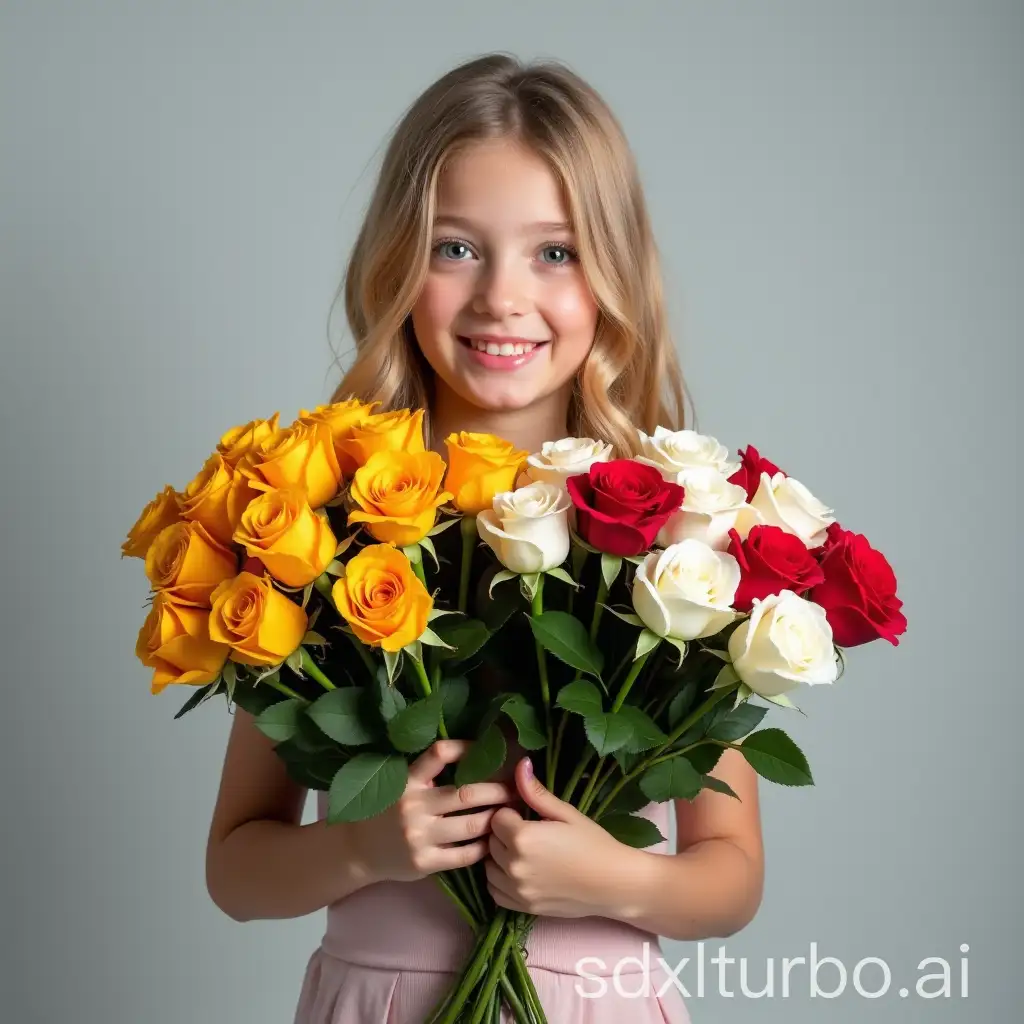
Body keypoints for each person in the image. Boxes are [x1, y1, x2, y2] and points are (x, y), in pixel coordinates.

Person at [205, 53, 765, 1023]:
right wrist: (362, 848)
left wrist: (614, 881)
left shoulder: (678, 538)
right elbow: (235, 865)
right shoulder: (324, 533)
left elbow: (731, 874)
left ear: (611, 274)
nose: (502, 296)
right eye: (455, 248)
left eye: (555, 252)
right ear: (396, 263)